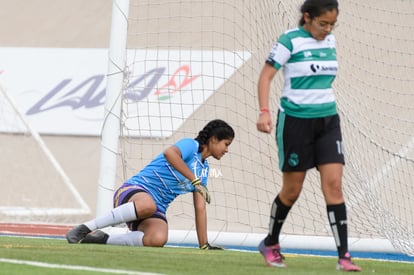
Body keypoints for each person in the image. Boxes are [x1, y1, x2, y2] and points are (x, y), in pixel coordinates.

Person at [256, 0, 361, 272]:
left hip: (328, 121)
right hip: (295, 123)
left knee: (335, 186)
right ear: (307, 17)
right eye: (322, 23)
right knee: (292, 191)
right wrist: (265, 112)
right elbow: (266, 77)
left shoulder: (330, 42)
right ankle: (271, 242)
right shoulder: (289, 41)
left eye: (332, 24)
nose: (327, 29)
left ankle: (344, 257)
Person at [66, 119, 234, 250]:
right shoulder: (191, 145)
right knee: (148, 205)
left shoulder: (204, 170)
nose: (227, 150)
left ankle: (103, 239)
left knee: (157, 239)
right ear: (213, 139)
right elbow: (170, 153)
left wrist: (203, 244)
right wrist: (193, 179)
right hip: (133, 192)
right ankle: (85, 228)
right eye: (226, 144)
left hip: (155, 208)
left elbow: (200, 208)